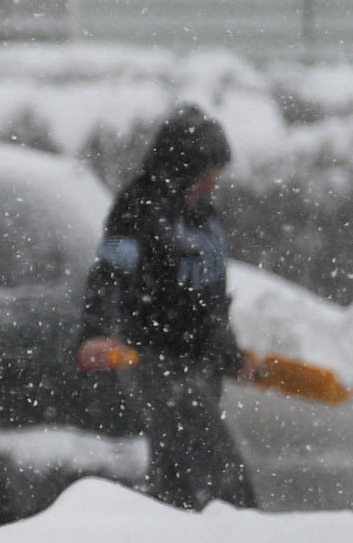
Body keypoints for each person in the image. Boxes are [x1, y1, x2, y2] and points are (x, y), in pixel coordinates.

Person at [75, 104, 270, 511]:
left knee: (176, 481)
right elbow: (109, 274)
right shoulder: (139, 208)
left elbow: (212, 299)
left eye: (216, 174)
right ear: (182, 168)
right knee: (220, 480)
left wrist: (229, 355)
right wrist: (95, 331)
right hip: (154, 360)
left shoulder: (203, 216)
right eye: (206, 174)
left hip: (198, 366)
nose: (211, 184)